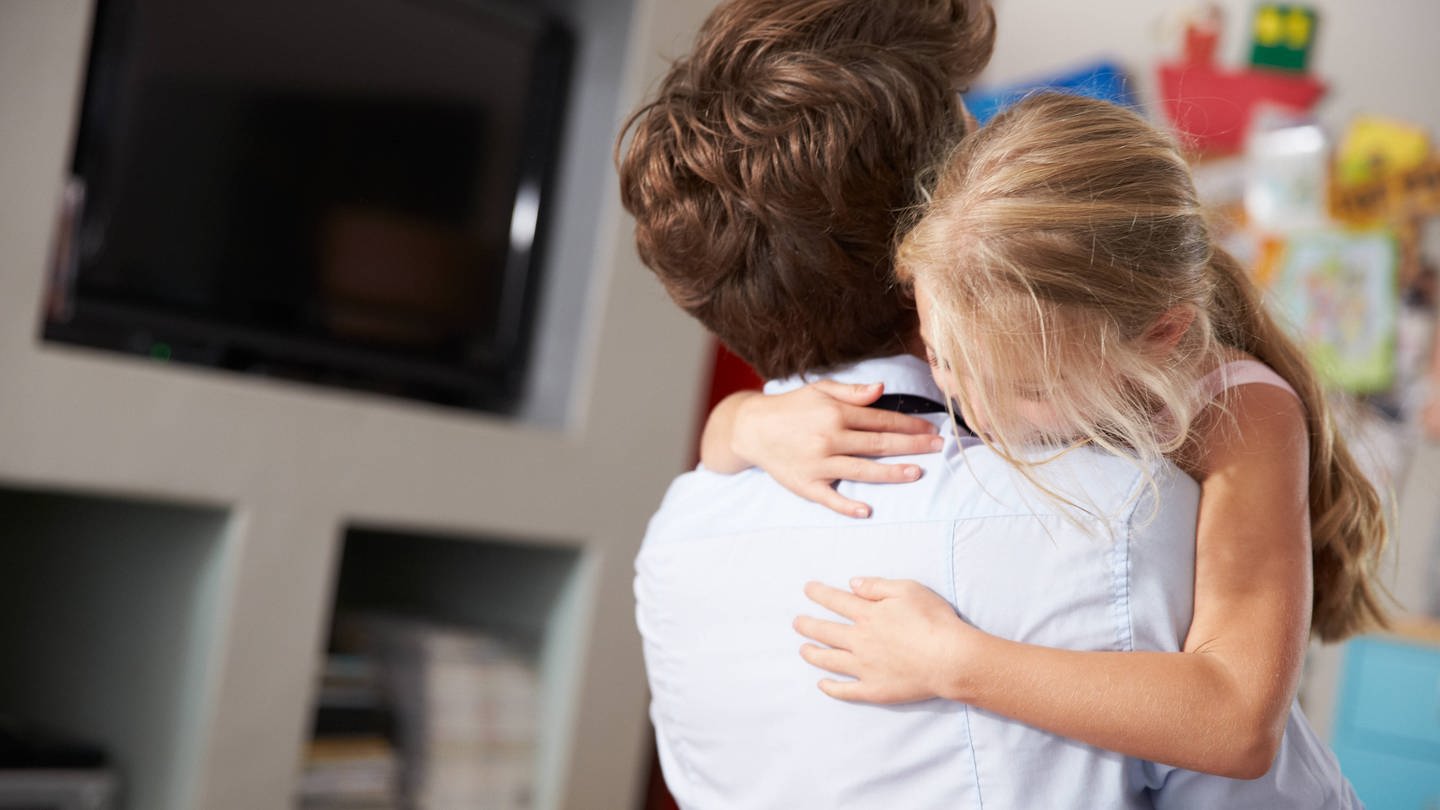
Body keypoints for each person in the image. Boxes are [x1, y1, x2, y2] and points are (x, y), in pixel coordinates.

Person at [703, 89, 1387, 783]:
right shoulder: (984, 323)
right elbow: (719, 449)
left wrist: (953, 662)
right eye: (943, 360)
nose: (971, 409)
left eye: (1027, 391)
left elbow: (1239, 725)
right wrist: (746, 424)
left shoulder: (1239, 411)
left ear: (1160, 338)